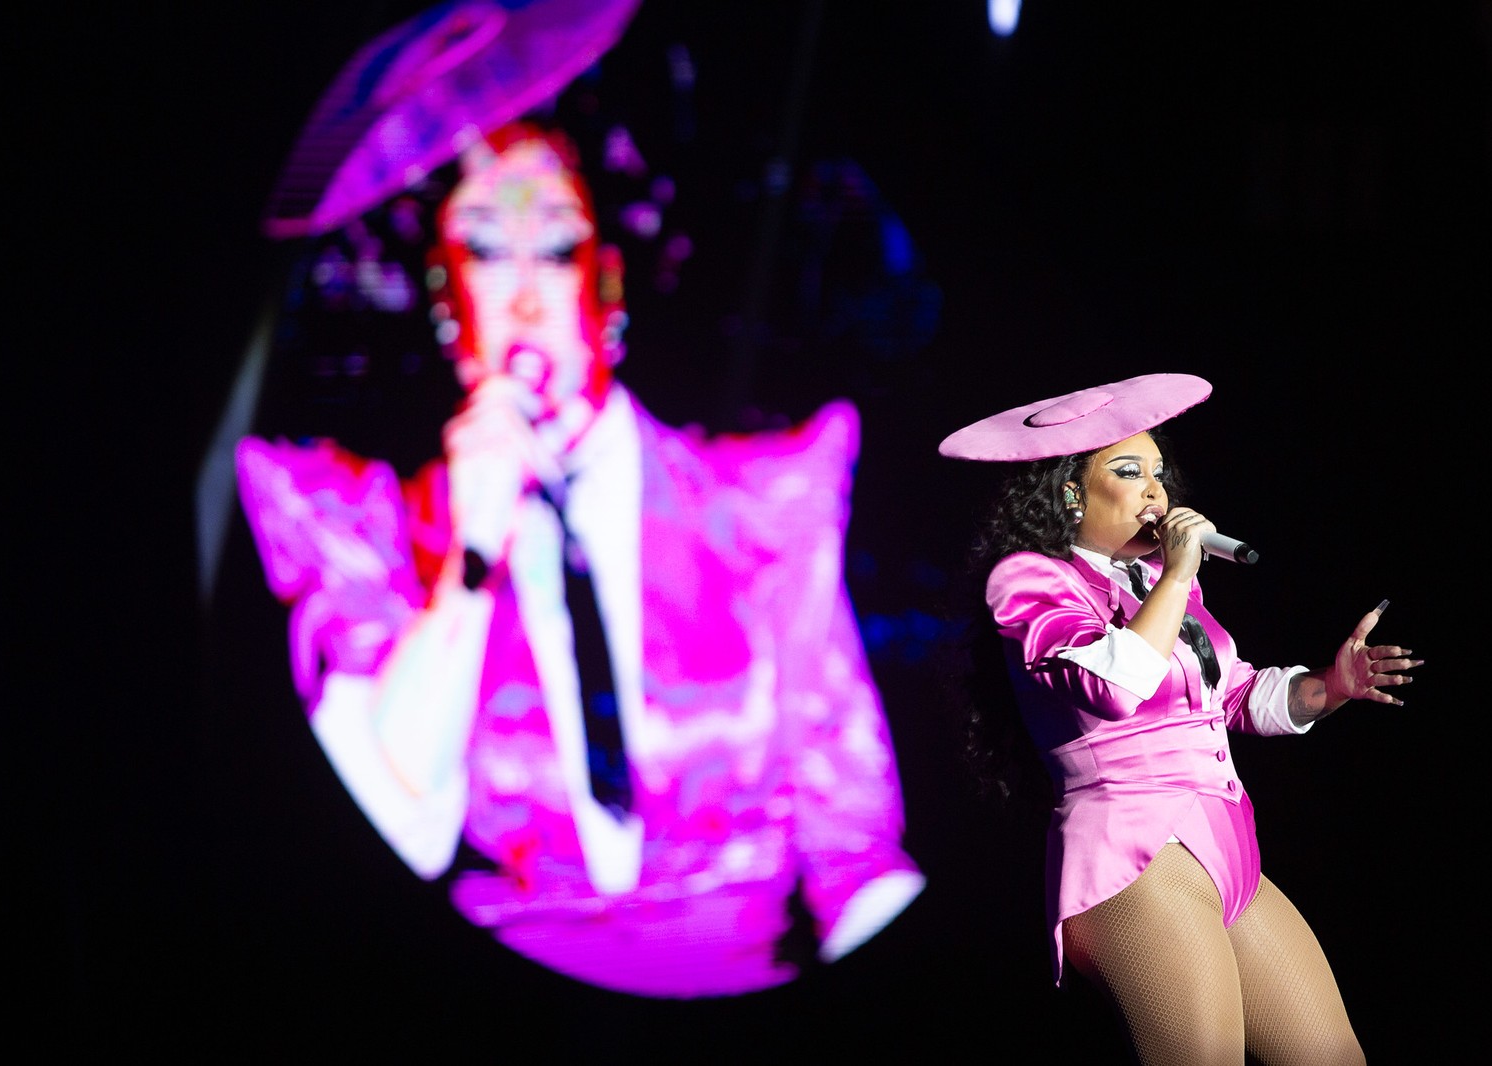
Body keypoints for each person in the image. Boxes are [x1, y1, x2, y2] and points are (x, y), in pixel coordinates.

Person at [234, 120, 924, 998]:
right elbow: (395, 835)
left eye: (555, 250)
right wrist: (470, 561)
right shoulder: (369, 531)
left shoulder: (761, 506)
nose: (524, 297)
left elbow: (857, 850)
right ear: (447, 301)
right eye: (486, 249)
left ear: (608, 284)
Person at [938, 372, 1418, 1064]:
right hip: (1136, 850)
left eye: (1159, 474)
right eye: (1130, 473)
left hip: (1221, 845)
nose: (1156, 493)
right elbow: (1116, 686)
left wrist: (1327, 688)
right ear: (1070, 493)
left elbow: (1227, 695)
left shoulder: (1155, 587)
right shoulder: (1031, 579)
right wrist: (1176, 577)